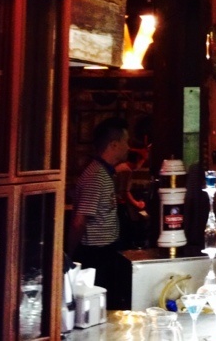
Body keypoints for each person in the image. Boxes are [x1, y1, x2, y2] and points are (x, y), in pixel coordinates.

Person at [67, 116, 129, 307]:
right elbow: (79, 221)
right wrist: (68, 255)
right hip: (96, 255)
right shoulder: (95, 176)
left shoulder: (103, 173)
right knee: (98, 305)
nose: (128, 147)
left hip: (106, 253)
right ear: (114, 145)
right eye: (126, 142)